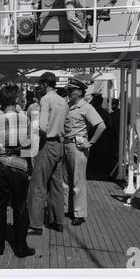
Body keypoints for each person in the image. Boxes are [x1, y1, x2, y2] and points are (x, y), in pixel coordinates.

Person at [0, 85, 35, 258]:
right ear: (15, 100)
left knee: (0, 206)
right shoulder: (25, 119)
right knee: (20, 207)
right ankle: (21, 247)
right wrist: (29, 168)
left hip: (1, 165)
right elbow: (30, 146)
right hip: (20, 166)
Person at [27, 72, 71, 235]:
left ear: (45, 84)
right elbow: (68, 126)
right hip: (60, 145)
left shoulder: (46, 99)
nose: (39, 87)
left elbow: (43, 127)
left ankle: (36, 225)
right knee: (56, 185)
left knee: (38, 185)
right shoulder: (63, 101)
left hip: (48, 144)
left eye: (40, 84)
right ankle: (58, 221)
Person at [63, 78, 106, 226]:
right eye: (67, 90)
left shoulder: (86, 107)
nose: (68, 92)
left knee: (77, 181)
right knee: (65, 181)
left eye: (71, 90)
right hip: (65, 145)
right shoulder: (67, 106)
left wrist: (91, 142)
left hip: (78, 146)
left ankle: (79, 213)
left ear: (80, 92)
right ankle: (67, 208)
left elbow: (101, 126)